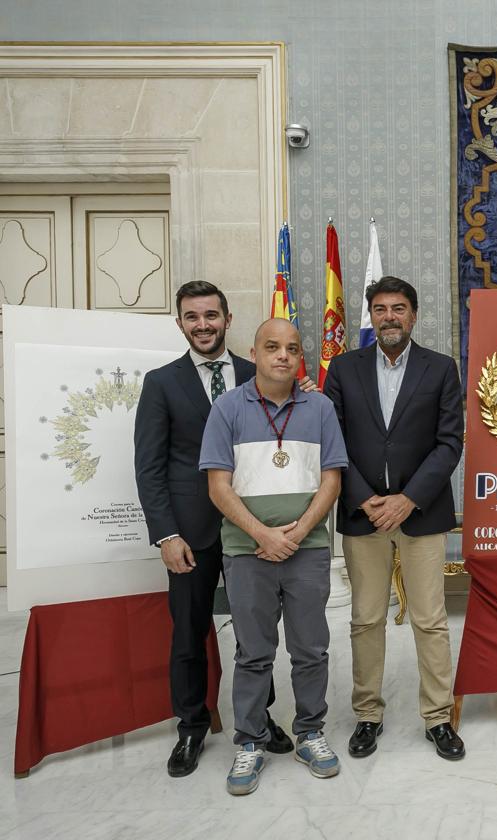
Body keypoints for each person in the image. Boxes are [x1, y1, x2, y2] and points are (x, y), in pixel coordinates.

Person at [133, 281, 293, 778]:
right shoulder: (162, 383)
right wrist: (165, 534)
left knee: (255, 630)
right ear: (180, 323)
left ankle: (258, 716)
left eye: (211, 315)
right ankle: (191, 725)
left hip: (251, 528)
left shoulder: (258, 373)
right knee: (189, 632)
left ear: (227, 319)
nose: (202, 324)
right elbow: (149, 466)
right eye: (192, 317)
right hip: (189, 533)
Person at [200, 318, 348, 796]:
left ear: (299, 355)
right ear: (255, 353)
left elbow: (332, 480)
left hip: (308, 552)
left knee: (310, 649)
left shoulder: (321, 407)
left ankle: (310, 733)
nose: (282, 356)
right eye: (272, 347)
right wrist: (263, 534)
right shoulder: (227, 408)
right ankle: (251, 740)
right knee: (252, 652)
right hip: (247, 552)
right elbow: (218, 487)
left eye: (291, 348)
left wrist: (299, 532)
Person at [323, 275, 466, 761]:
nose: (390, 317)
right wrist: (366, 499)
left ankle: (438, 717)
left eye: (399, 308)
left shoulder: (441, 368)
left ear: (413, 315)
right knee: (365, 618)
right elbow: (332, 441)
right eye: (381, 309)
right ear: (371, 316)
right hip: (363, 514)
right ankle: (367, 714)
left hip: (421, 512)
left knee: (430, 619)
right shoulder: (343, 369)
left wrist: (408, 498)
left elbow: (450, 442)